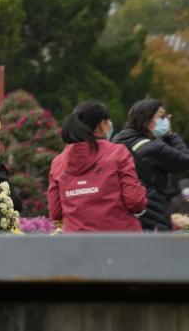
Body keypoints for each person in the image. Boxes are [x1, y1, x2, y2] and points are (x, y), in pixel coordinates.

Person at [48, 101, 146, 232]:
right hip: (121, 238)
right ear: (102, 124)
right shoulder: (118, 153)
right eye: (108, 121)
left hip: (77, 241)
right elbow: (135, 202)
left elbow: (56, 212)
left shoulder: (58, 162)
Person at [112, 98, 189, 232]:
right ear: (146, 120)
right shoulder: (154, 147)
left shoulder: (116, 142)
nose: (166, 120)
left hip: (123, 212)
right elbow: (185, 161)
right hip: (153, 210)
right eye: (161, 116)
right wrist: (170, 135)